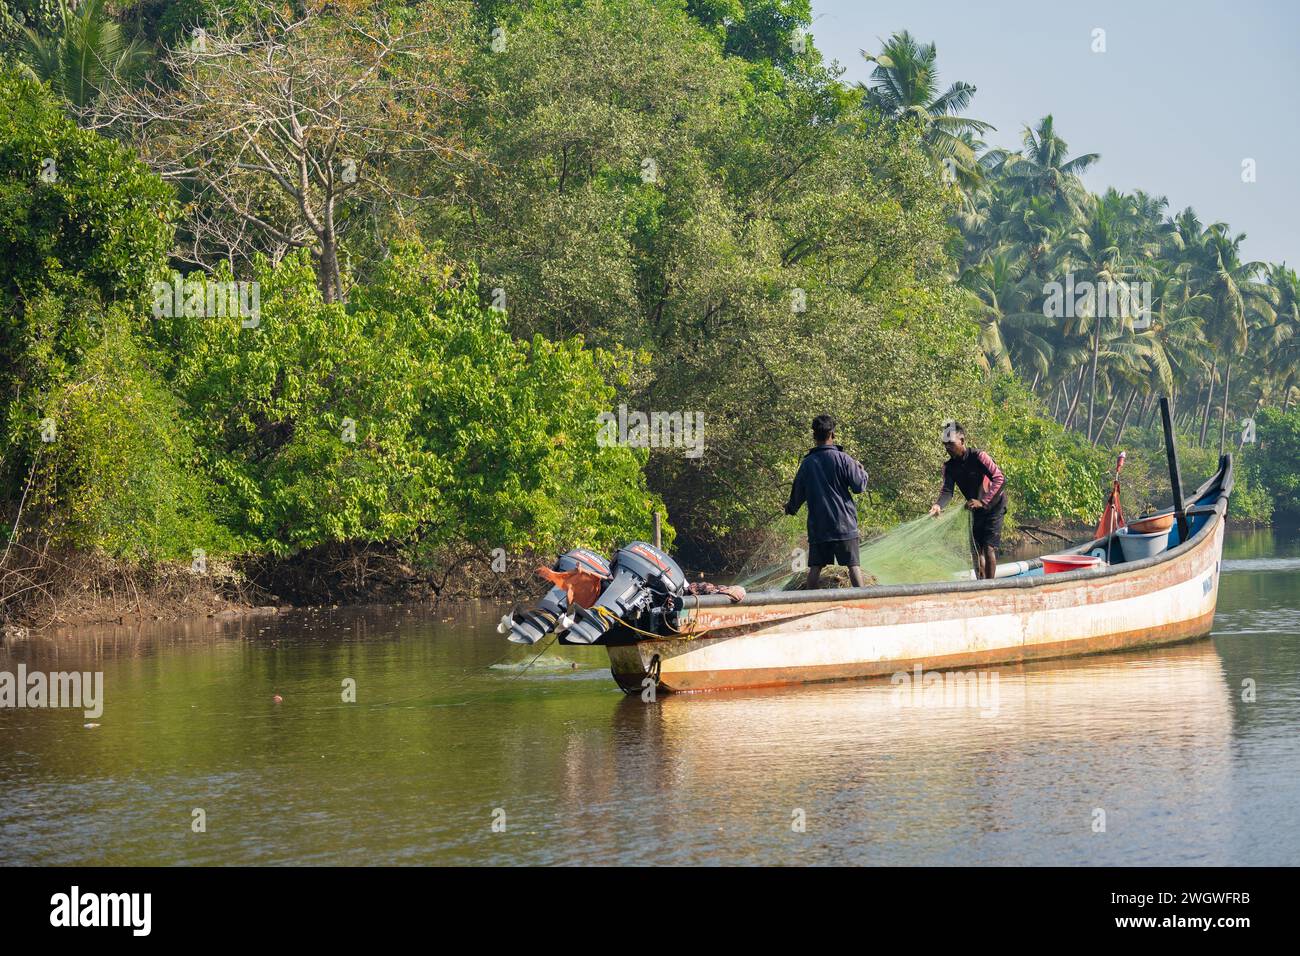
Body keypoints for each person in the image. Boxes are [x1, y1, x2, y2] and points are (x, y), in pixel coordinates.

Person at [784, 414, 869, 588]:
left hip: (820, 527)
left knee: (815, 568)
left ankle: (810, 604)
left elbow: (798, 492)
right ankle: (862, 602)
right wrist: (862, 470)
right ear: (833, 434)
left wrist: (790, 508)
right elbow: (859, 487)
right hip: (845, 525)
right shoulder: (844, 459)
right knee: (853, 567)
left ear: (814, 436)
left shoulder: (808, 463)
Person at [927, 421, 1006, 580]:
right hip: (974, 507)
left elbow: (1000, 479)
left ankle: (991, 587)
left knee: (989, 547)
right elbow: (947, 491)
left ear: (962, 441)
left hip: (994, 505)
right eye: (945, 445)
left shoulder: (979, 456)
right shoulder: (949, 467)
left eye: (951, 444)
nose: (947, 448)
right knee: (976, 550)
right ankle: (979, 585)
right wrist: (938, 505)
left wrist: (983, 502)